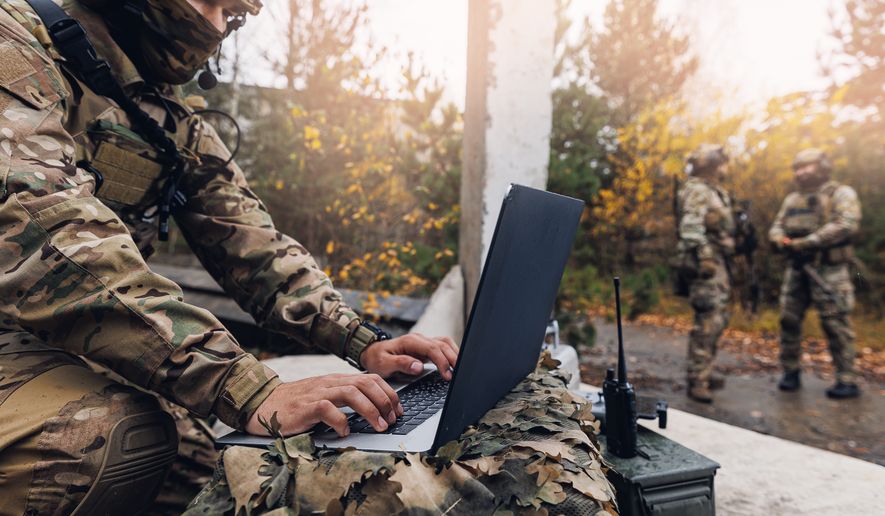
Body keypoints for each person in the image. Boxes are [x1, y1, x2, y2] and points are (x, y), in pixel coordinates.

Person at [0, 0, 458, 513]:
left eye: (232, 12)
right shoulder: (16, 42)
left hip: (60, 343)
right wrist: (243, 387)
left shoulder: (168, 116)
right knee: (100, 440)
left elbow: (253, 245)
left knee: (222, 474)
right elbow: (44, 232)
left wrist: (363, 341)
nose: (217, 26)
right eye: (211, 3)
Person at [769, 148, 861, 399]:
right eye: (797, 168)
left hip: (829, 270)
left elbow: (847, 224)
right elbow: (776, 227)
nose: (800, 172)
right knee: (788, 320)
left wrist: (808, 242)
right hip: (797, 269)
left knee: (836, 323)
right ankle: (790, 372)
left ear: (821, 166)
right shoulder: (792, 199)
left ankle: (846, 378)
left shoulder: (841, 193)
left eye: (806, 166)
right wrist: (780, 241)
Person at [675, 144, 735, 403]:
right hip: (706, 264)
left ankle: (705, 371)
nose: (725, 168)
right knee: (708, 321)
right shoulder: (698, 190)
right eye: (722, 163)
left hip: (717, 261)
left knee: (718, 320)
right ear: (713, 164)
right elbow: (690, 227)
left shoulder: (715, 191)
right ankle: (697, 379)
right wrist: (706, 256)